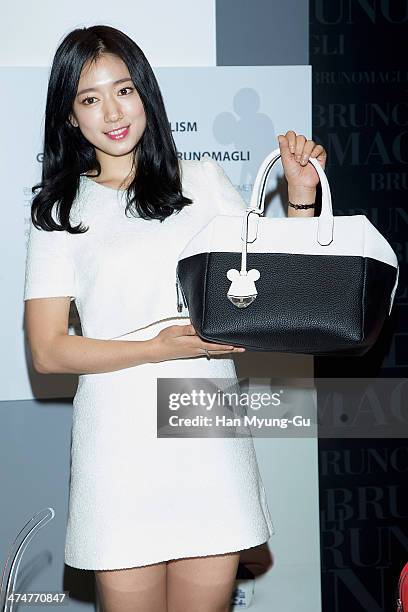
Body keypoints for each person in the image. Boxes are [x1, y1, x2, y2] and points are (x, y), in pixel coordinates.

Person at [23, 25, 327, 612]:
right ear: (70, 116)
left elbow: (274, 292)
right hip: (117, 448)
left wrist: (301, 198)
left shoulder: (205, 182)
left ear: (147, 95)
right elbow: (49, 351)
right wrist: (160, 346)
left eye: (125, 90)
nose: (113, 112)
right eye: (90, 99)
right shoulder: (60, 210)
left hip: (205, 440)